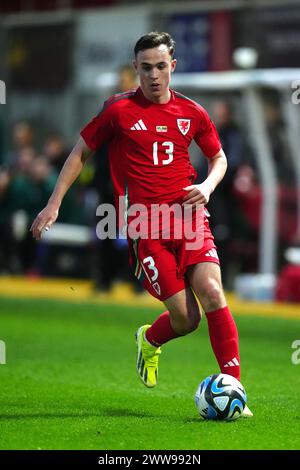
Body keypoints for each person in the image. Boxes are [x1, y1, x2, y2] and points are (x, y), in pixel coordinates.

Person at [31, 32, 252, 417]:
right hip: (146, 227)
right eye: (146, 67)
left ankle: (236, 390)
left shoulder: (192, 113)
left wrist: (207, 185)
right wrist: (54, 203)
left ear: (173, 67)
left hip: (188, 218)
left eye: (161, 67)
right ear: (136, 68)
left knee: (214, 292)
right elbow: (80, 151)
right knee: (186, 320)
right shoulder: (117, 111)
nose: (153, 75)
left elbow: (218, 159)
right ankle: (149, 340)